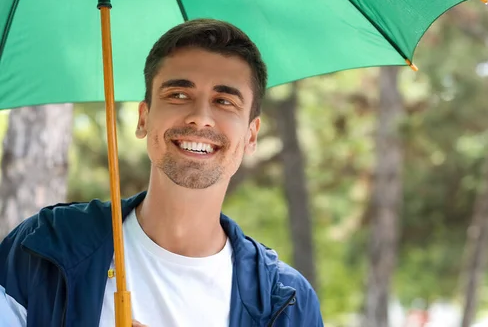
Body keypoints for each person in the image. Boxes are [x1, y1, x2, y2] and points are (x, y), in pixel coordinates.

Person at [0, 19, 323, 327]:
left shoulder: (288, 300)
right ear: (144, 118)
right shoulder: (45, 244)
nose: (200, 118)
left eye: (224, 101)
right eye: (178, 95)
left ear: (251, 135)